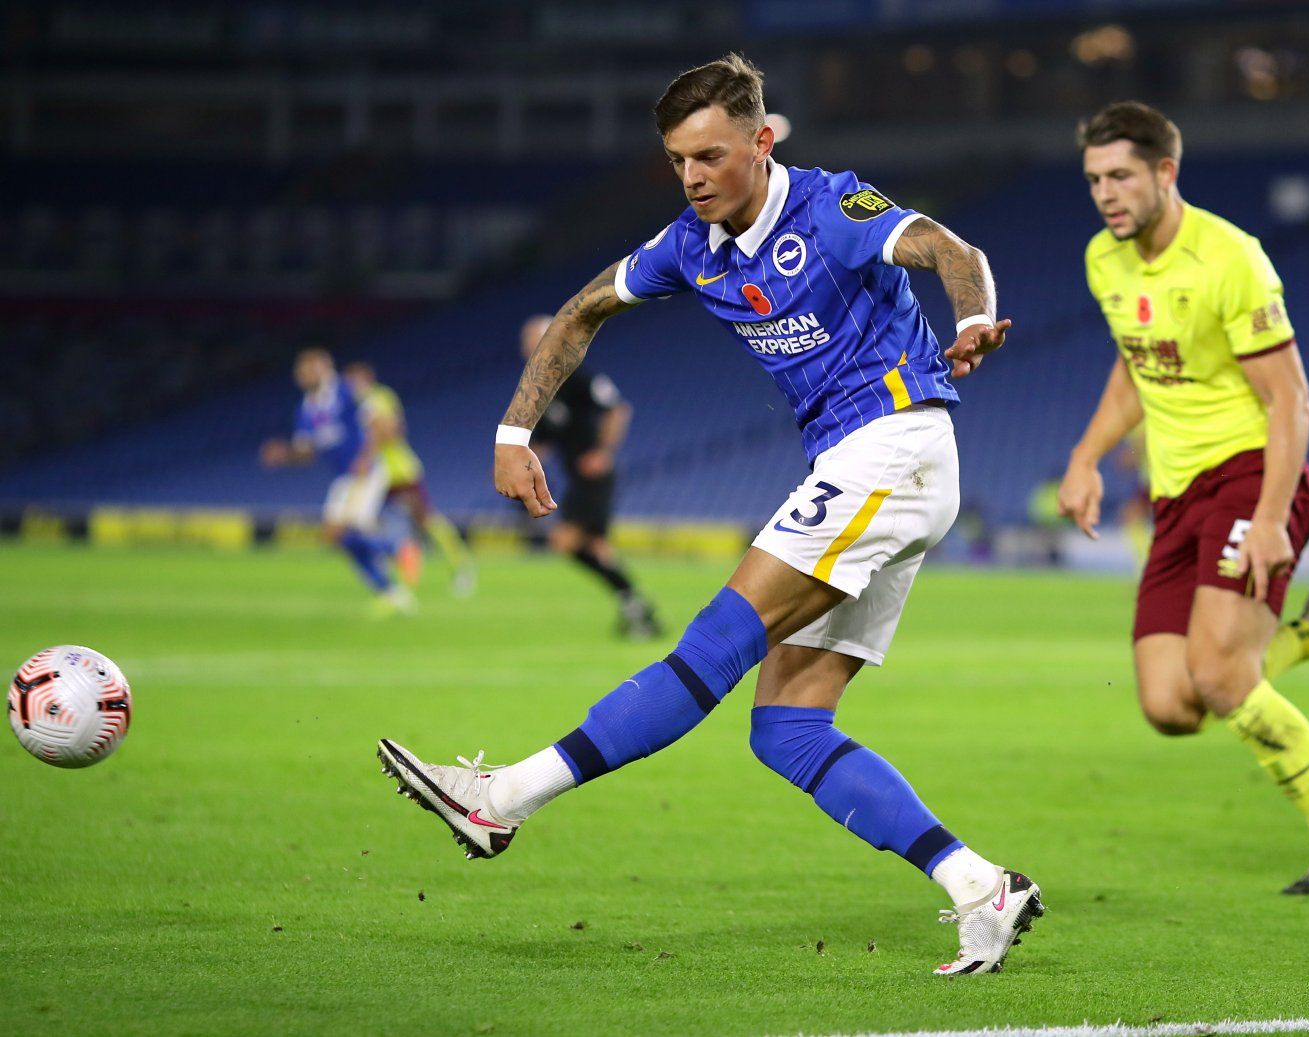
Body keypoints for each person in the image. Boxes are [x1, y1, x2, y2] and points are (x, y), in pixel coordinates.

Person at [378, 54, 1042, 976]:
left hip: (893, 444)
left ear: (762, 143)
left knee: (715, 642)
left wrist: (971, 320)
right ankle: (980, 886)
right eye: (678, 160)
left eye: (711, 155)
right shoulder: (687, 246)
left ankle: (505, 797)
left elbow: (949, 250)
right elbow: (579, 312)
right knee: (788, 728)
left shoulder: (831, 208)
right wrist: (512, 431)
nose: (692, 176)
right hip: (869, 467)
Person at [1057, 101, 1309, 895]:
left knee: (1223, 676)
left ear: (1165, 172)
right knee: (1171, 703)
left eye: (1121, 176)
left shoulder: (1231, 259)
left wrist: (1267, 519)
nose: (1105, 194)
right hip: (1176, 494)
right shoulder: (1103, 259)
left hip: (1253, 477)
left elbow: (1291, 398)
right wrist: (1085, 456)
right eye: (1093, 179)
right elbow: (1135, 364)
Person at [516, 316, 658, 638]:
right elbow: (544, 439)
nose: (527, 348)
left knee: (565, 541)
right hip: (579, 479)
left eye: (532, 340)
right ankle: (637, 609)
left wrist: (602, 452)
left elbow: (618, 409)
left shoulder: (578, 376)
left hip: (593, 478)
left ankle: (635, 605)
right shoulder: (545, 388)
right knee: (595, 547)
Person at [260, 348, 414, 616]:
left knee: (346, 529)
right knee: (334, 535)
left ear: (324, 367)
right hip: (344, 477)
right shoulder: (306, 409)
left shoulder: (346, 391)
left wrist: (366, 456)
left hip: (365, 471)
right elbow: (306, 453)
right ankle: (391, 591)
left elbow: (381, 423)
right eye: (301, 371)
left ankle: (397, 548)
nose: (303, 375)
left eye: (309, 369)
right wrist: (284, 454)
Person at [343, 361, 477, 598]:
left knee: (425, 520)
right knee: (366, 523)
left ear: (366, 378)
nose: (351, 386)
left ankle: (461, 568)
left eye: (354, 380)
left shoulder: (378, 398)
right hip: (375, 476)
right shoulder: (352, 406)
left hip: (398, 471)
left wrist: (367, 454)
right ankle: (391, 572)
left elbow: (392, 430)